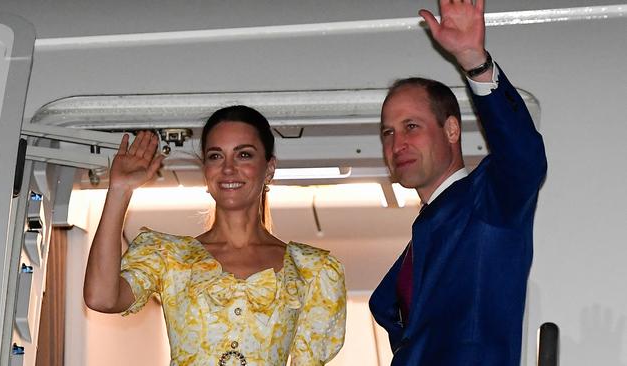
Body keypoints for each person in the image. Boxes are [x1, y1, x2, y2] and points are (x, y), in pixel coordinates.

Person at [83, 105, 346, 366]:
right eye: (216, 156)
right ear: (206, 171)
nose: (228, 168)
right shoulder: (171, 257)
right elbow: (101, 298)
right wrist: (119, 190)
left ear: (269, 169)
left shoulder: (311, 270)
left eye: (243, 155)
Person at [369, 1, 547, 365]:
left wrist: (474, 61)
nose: (396, 143)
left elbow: (523, 157)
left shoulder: (486, 204)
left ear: (452, 129)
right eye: (388, 132)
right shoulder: (422, 236)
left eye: (411, 127)